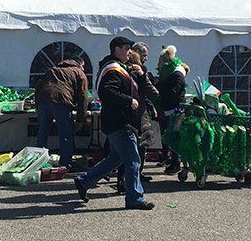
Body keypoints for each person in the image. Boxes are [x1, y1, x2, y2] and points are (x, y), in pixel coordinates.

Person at [74, 36, 154, 211]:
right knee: (133, 161)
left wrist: (141, 75)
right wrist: (128, 101)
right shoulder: (112, 69)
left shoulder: (121, 68)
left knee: (115, 159)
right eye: (126, 48)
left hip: (119, 122)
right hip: (119, 122)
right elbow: (107, 92)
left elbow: (143, 90)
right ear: (116, 49)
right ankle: (134, 197)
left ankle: (84, 181)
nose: (129, 51)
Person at [115, 46, 159, 192]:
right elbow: (152, 92)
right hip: (135, 116)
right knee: (132, 151)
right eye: (144, 55)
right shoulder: (132, 73)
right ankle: (127, 181)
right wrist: (143, 76)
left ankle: (131, 179)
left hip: (133, 115)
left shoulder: (121, 71)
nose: (146, 58)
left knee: (133, 150)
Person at [35, 55, 89, 168]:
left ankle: (37, 161)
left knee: (42, 131)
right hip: (62, 101)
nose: (84, 69)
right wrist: (80, 120)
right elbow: (83, 98)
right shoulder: (79, 73)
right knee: (65, 133)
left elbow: (38, 87)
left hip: (44, 100)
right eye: (83, 66)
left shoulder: (52, 70)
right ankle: (66, 163)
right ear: (79, 64)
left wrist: (37, 106)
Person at [156, 45, 189, 175]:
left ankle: (176, 163)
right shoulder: (171, 73)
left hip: (175, 108)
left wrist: (159, 87)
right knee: (168, 135)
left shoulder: (177, 73)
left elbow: (172, 92)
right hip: (168, 107)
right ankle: (170, 159)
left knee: (174, 136)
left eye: (161, 61)